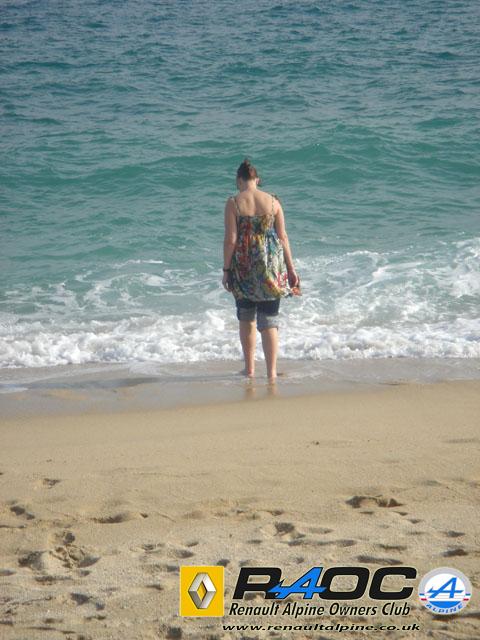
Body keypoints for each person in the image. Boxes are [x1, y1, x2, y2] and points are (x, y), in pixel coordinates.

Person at [222, 158, 300, 382]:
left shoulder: (234, 203)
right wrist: (291, 269)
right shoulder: (274, 202)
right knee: (270, 320)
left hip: (244, 266)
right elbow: (283, 237)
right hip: (272, 266)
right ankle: (272, 372)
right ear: (257, 180)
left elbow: (231, 240)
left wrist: (226, 269)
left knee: (246, 317)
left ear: (239, 180)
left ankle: (249, 369)